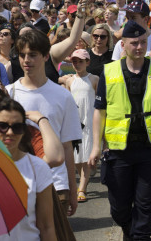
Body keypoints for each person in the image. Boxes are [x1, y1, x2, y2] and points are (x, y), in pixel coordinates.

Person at [89, 20, 151, 241]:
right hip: (118, 152)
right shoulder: (109, 72)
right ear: (122, 45)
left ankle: (140, 236)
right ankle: (131, 233)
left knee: (145, 205)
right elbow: (99, 112)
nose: (139, 47)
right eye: (134, 43)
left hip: (148, 150)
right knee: (119, 209)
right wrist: (94, 148)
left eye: (142, 42)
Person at [7, 29, 83, 219]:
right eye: (22, 55)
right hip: (19, 184)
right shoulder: (8, 94)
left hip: (56, 185)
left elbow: (67, 147)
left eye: (32, 55)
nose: (26, 60)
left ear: (46, 56)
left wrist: (73, 192)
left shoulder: (63, 96)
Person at [0, 98, 55, 241]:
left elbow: (46, 226)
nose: (10, 132)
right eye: (2, 126)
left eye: (17, 127)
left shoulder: (37, 168)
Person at [58, 49, 98, 204]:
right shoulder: (69, 80)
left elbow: (99, 102)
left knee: (86, 157)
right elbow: (67, 101)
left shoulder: (94, 79)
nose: (77, 64)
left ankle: (81, 188)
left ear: (87, 62)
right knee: (76, 158)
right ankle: (81, 183)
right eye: (74, 61)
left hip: (89, 122)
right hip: (75, 122)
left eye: (81, 61)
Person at [112, 0, 151, 80]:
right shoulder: (121, 44)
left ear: (146, 19)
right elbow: (113, 77)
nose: (128, 22)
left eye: (133, 18)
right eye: (127, 18)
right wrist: (122, 63)